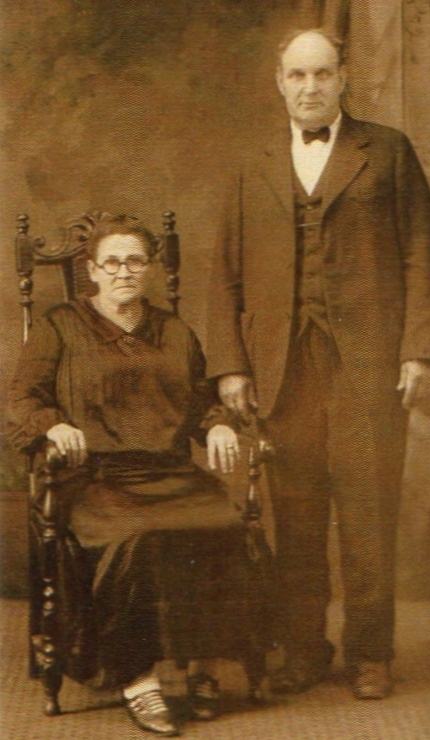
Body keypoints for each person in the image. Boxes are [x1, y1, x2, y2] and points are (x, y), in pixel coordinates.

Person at [206, 28, 430, 700]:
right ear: (278, 81)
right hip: (282, 367)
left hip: (369, 364)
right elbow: (222, 272)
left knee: (368, 514)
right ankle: (303, 648)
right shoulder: (249, 160)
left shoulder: (388, 153)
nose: (308, 88)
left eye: (321, 74)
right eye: (295, 75)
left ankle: (371, 653)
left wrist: (420, 350)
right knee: (299, 515)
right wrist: (231, 366)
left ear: (343, 78)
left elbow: (423, 257)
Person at [7, 213, 271, 736]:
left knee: (221, 521)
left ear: (149, 270)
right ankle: (138, 678)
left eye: (135, 261)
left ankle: (202, 666)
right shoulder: (59, 326)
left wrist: (218, 425)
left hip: (170, 471)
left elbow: (201, 400)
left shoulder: (175, 331)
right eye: (113, 262)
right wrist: (53, 425)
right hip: (96, 477)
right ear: (93, 271)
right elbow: (21, 399)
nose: (124, 271)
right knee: (134, 536)